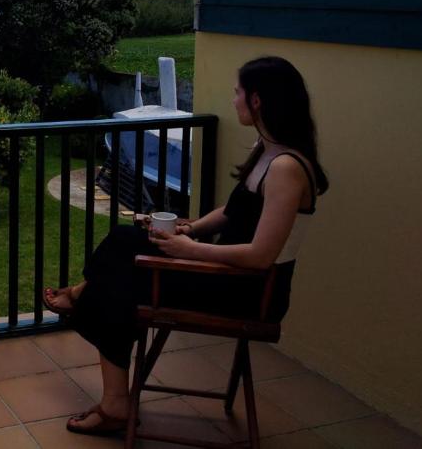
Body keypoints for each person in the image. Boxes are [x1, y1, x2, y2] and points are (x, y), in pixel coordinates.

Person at [43, 56, 329, 436]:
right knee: (125, 238)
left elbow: (261, 256)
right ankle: (82, 297)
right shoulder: (269, 150)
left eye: (237, 92)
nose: (233, 100)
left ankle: (114, 403)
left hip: (245, 291)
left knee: (114, 290)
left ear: (257, 100)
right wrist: (189, 228)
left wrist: (187, 249)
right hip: (226, 274)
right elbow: (233, 211)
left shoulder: (287, 169)